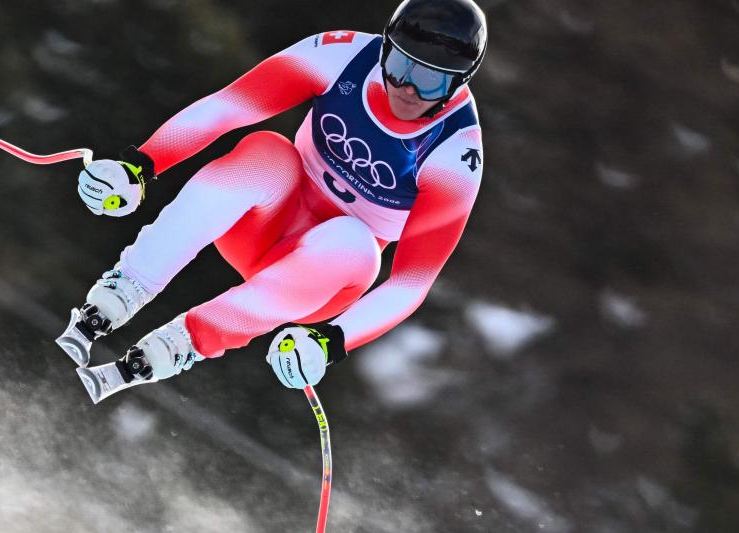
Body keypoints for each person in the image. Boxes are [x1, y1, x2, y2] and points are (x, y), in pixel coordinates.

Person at [58, 0, 488, 403]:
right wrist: (141, 164)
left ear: (458, 83)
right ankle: (121, 291)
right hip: (263, 223)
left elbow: (410, 283)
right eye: (398, 66)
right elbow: (231, 106)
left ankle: (181, 343)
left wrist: (331, 340)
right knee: (268, 151)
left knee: (355, 244)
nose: (408, 88)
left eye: (430, 79)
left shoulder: (454, 154)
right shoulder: (343, 57)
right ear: (385, 49)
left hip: (318, 278)